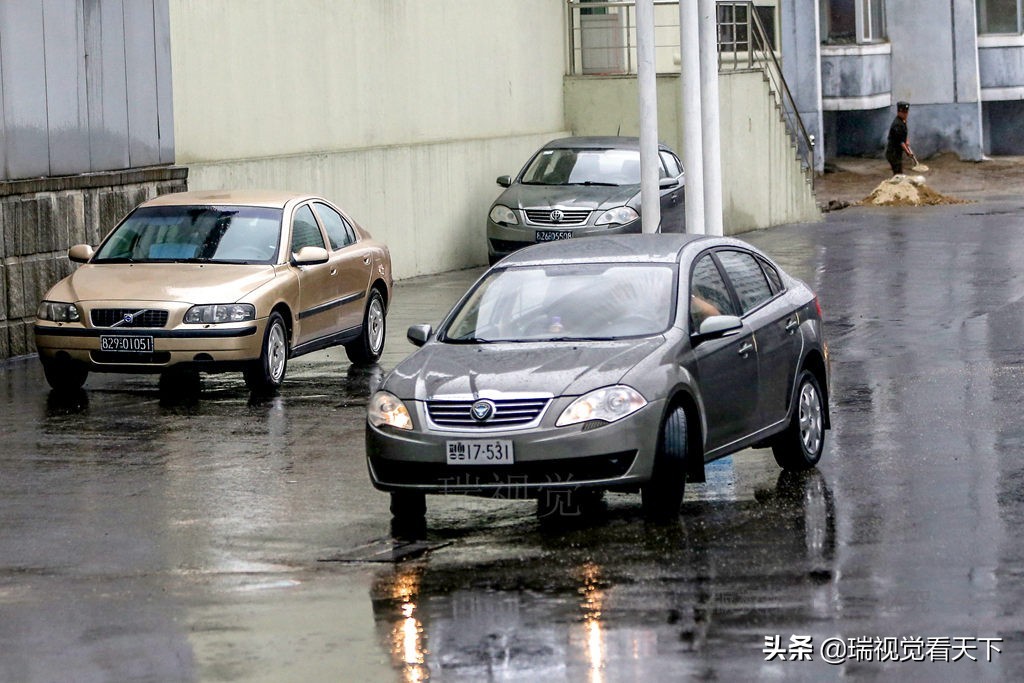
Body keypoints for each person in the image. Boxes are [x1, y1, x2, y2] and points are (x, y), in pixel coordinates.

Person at [886, 101, 914, 175]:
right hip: (893, 153)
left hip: (897, 152)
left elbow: (904, 134)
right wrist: (908, 153)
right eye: (904, 113)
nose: (906, 114)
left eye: (906, 112)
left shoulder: (903, 121)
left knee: (899, 171)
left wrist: (907, 140)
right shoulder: (897, 124)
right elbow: (900, 142)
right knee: (898, 173)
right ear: (899, 112)